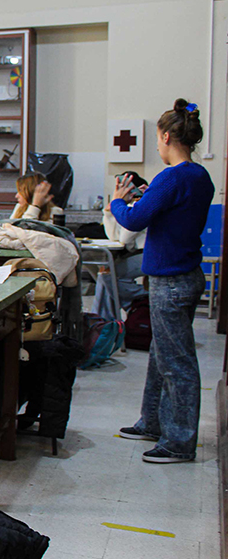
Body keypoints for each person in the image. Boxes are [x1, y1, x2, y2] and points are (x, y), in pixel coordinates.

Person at [113, 99, 213, 464]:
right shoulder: (201, 176)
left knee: (177, 363)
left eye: (158, 138)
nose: (157, 145)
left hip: (170, 281)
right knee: (162, 355)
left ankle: (179, 441)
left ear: (167, 136)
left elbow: (135, 220)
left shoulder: (171, 176)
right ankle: (153, 421)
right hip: (186, 274)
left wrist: (117, 202)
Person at [91, 171, 148, 320]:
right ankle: (103, 322)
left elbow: (124, 237)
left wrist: (123, 206)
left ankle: (143, 299)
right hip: (136, 253)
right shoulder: (129, 206)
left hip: (148, 253)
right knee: (105, 275)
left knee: (108, 277)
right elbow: (114, 237)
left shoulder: (141, 204)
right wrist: (109, 213)